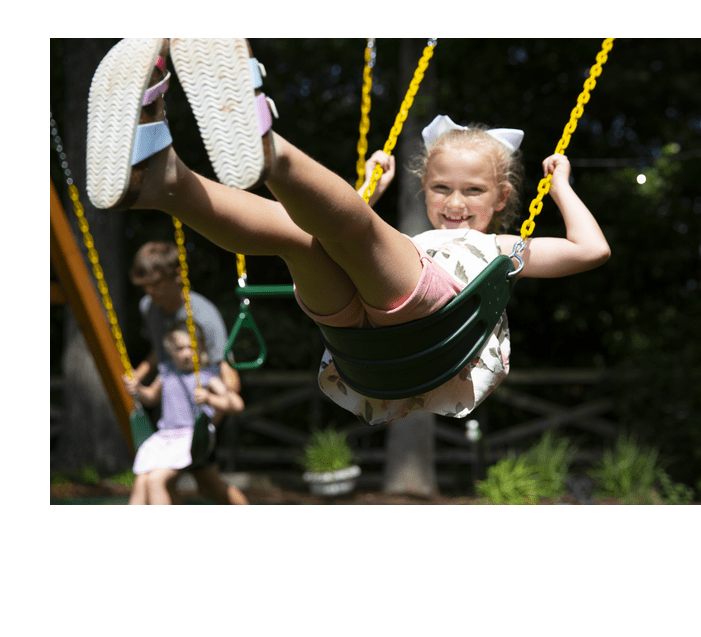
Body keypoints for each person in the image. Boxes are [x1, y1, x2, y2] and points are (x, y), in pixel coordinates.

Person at [88, 38, 610, 427]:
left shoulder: (501, 248)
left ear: (502, 200)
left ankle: (267, 147)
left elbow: (591, 250)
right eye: (440, 188)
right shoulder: (410, 244)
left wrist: (560, 185)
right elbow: (340, 230)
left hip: (436, 331)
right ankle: (164, 182)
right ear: (424, 189)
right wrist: (372, 193)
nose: (454, 204)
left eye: (473, 192)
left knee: (359, 231)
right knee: (297, 236)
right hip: (358, 349)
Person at [127, 240, 248, 502]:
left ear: (178, 277)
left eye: (157, 284)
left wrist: (215, 414)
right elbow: (159, 350)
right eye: (145, 285)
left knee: (209, 485)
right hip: (173, 409)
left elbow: (224, 364)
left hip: (199, 415)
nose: (150, 292)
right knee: (173, 481)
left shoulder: (204, 315)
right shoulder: (149, 308)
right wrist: (139, 375)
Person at [124, 321, 247, 504]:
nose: (186, 354)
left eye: (191, 348)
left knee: (157, 480)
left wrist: (209, 398)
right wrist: (137, 389)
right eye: (180, 348)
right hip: (165, 438)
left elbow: (237, 404)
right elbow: (151, 397)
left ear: (201, 348)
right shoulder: (167, 373)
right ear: (170, 351)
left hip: (191, 438)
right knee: (142, 480)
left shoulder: (206, 376)